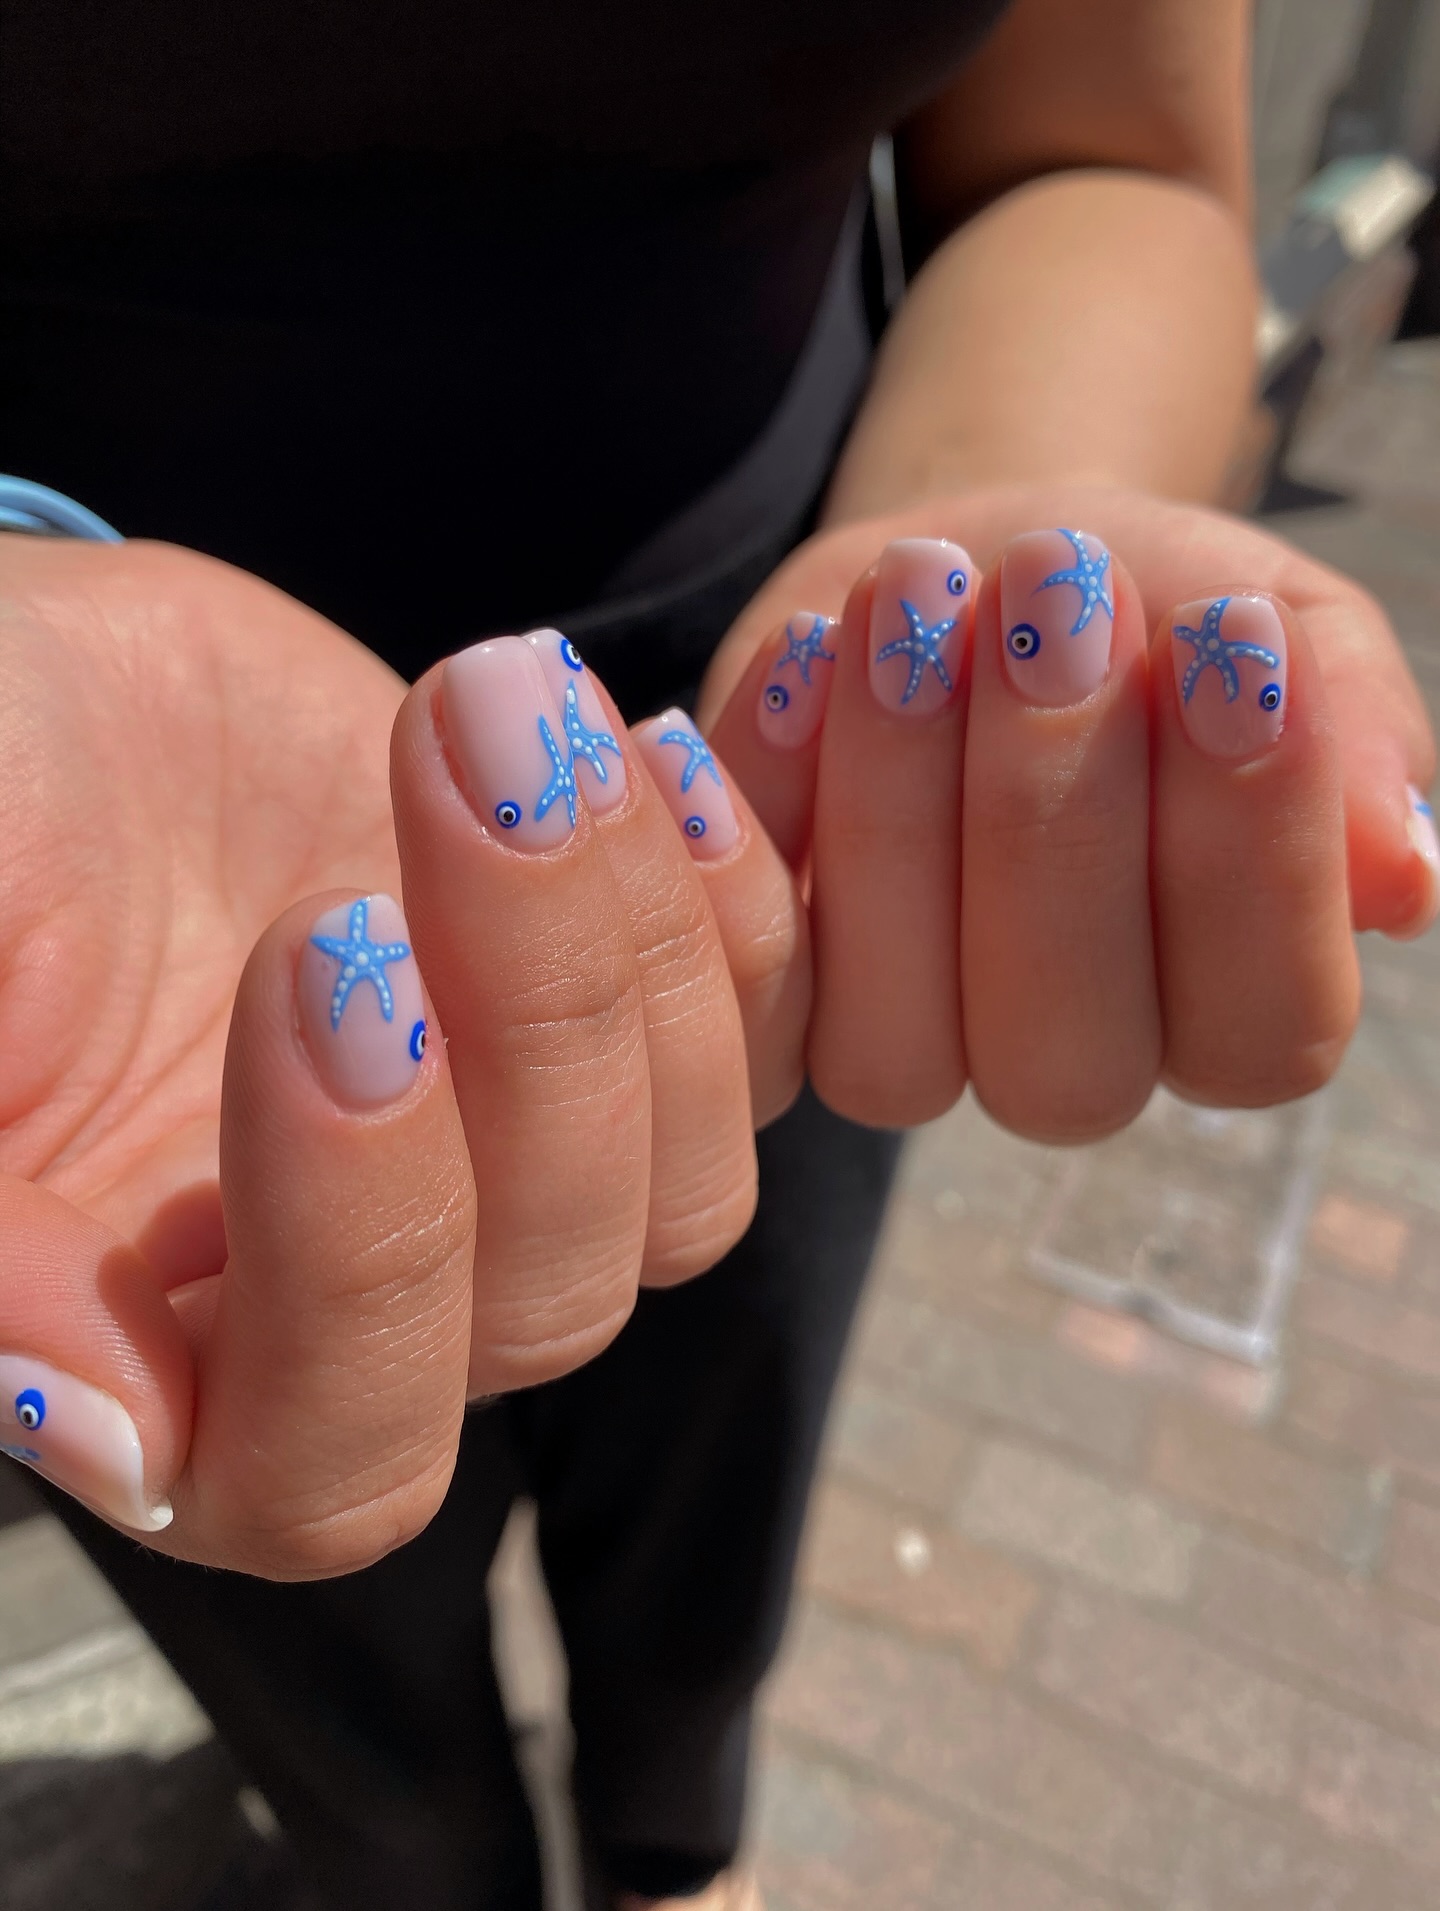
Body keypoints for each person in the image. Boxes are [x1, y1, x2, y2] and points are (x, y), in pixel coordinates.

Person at [1, 1, 1435, 1906]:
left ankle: (676, 1854)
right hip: (100, 849)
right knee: (303, 1601)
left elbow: (1109, 161)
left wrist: (972, 542)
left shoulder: (809, 793)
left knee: (712, 1524)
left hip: (788, 785)